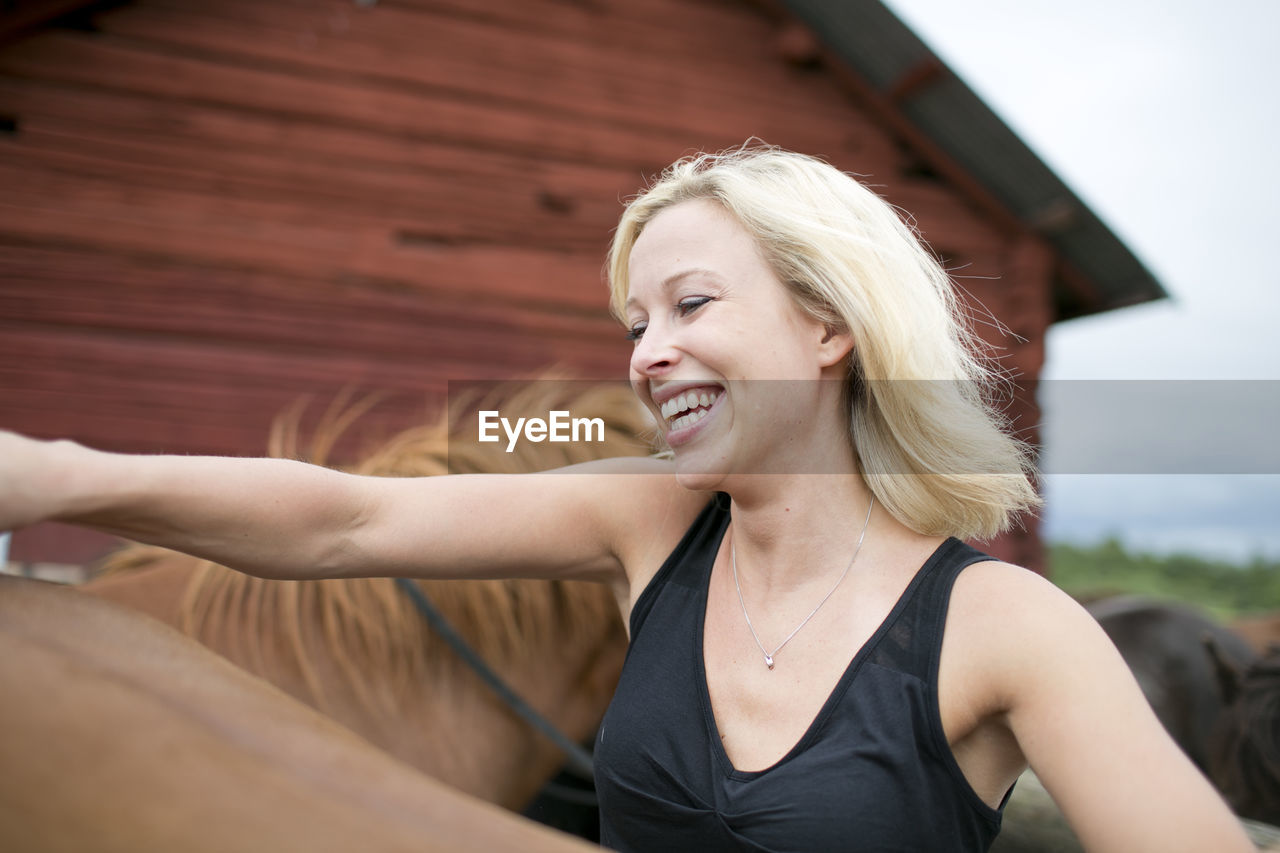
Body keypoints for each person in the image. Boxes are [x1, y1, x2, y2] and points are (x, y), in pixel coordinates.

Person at [0, 145, 1252, 852]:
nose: (645, 352)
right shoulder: (645, 519)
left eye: (690, 305)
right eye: (634, 321)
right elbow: (346, 521)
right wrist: (57, 472)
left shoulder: (1004, 628)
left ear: (827, 324)